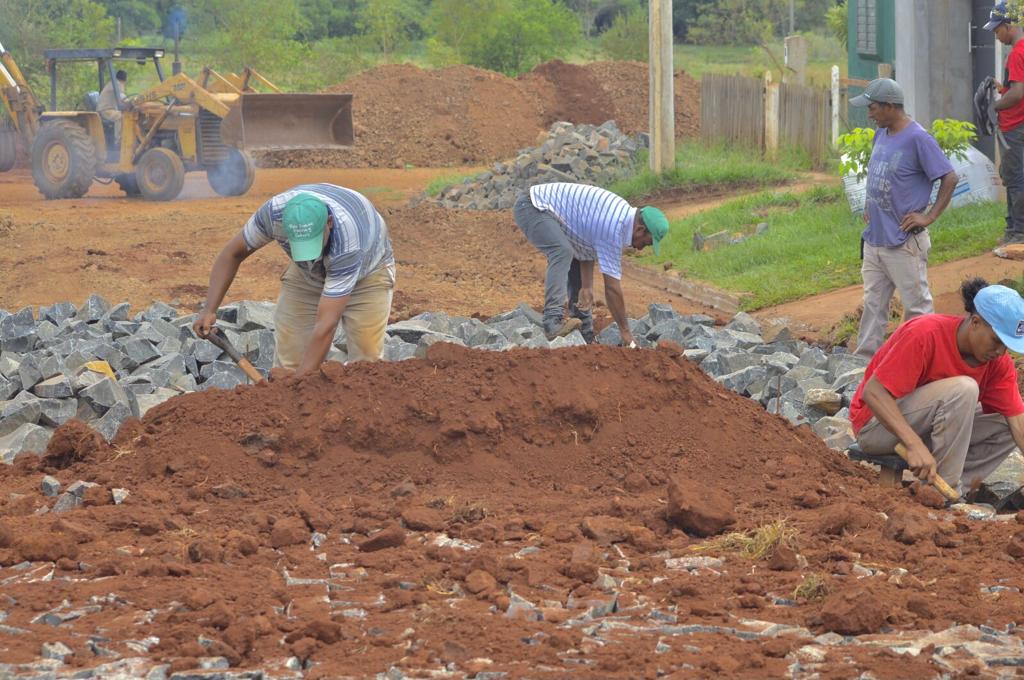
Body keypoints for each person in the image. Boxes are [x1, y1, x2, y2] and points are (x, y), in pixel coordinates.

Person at [193, 184, 396, 377]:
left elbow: (326, 324)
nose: (309, 256)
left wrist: (299, 387)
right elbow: (232, 254)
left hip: (368, 274)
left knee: (365, 366)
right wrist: (209, 309)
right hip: (307, 276)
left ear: (329, 223)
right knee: (289, 364)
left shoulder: (348, 239)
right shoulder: (274, 215)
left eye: (313, 244)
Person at [850, 278, 1024, 495]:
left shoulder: (998, 363)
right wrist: (914, 445)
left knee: (1005, 419)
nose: (1000, 352)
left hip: (928, 427)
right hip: (876, 427)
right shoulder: (925, 333)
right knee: (964, 389)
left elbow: (1018, 423)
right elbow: (873, 393)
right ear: (976, 322)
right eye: (996, 341)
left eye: (1007, 347)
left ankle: (946, 487)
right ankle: (944, 497)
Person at [850, 78, 958, 358]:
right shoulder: (881, 134)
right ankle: (863, 364)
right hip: (875, 239)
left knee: (917, 309)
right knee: (873, 304)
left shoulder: (918, 138)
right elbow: (879, 173)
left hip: (903, 241)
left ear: (889, 106)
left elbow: (949, 176)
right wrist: (869, 204)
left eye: (872, 108)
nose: (869, 114)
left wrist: (930, 215)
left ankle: (921, 362)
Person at [512, 182, 669, 345]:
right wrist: (626, 332)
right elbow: (612, 289)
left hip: (547, 212)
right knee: (562, 251)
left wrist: (586, 286)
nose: (641, 248)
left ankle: (585, 334)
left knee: (572, 254)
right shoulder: (614, 226)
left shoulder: (622, 215)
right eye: (647, 242)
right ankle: (552, 321)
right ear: (639, 230)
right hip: (532, 207)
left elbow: (586, 247)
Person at [986, 2, 1024, 245]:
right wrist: (1003, 88)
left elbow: (1019, 93)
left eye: (997, 30)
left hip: (1014, 125)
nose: (996, 36)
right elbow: (1015, 88)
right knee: (1017, 175)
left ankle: (1017, 232)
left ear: (1008, 25)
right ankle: (1015, 228)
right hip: (1020, 124)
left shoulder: (1017, 53)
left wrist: (994, 106)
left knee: (1014, 177)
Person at [97, 69, 128, 142]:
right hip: (105, 110)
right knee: (121, 116)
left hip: (110, 109)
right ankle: (119, 140)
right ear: (124, 80)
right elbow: (122, 97)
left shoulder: (113, 83)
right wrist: (132, 102)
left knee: (126, 114)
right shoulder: (117, 84)